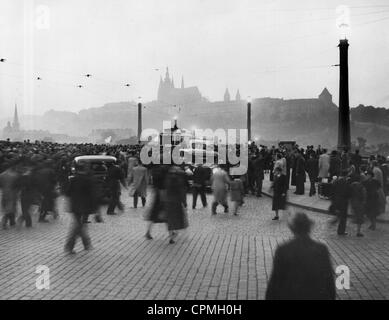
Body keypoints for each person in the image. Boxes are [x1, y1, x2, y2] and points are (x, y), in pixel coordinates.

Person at [265, 213, 335, 300]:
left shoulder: (283, 249)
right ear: (309, 228)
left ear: (293, 229)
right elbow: (329, 279)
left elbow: (275, 280)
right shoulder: (321, 249)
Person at [64, 163, 97, 254]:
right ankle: (71, 246)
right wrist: (95, 209)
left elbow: (67, 193)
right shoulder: (88, 180)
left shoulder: (73, 179)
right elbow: (93, 195)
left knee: (79, 224)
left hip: (75, 206)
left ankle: (85, 244)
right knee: (79, 225)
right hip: (85, 206)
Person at [165, 165, 188, 244]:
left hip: (168, 201)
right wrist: (184, 202)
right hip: (176, 202)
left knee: (170, 219)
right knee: (177, 219)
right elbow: (181, 192)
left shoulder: (167, 179)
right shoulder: (179, 181)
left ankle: (171, 235)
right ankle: (174, 235)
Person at [145, 165, 168, 240]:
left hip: (157, 195)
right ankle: (172, 232)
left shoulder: (155, 170)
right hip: (162, 196)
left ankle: (148, 232)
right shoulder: (163, 170)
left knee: (153, 216)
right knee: (167, 216)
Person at [0, 163, 21, 229]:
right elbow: (18, 186)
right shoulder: (16, 175)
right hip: (13, 194)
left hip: (4, 193)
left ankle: (12, 222)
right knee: (10, 208)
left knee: (7, 207)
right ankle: (4, 223)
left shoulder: (1, 175)